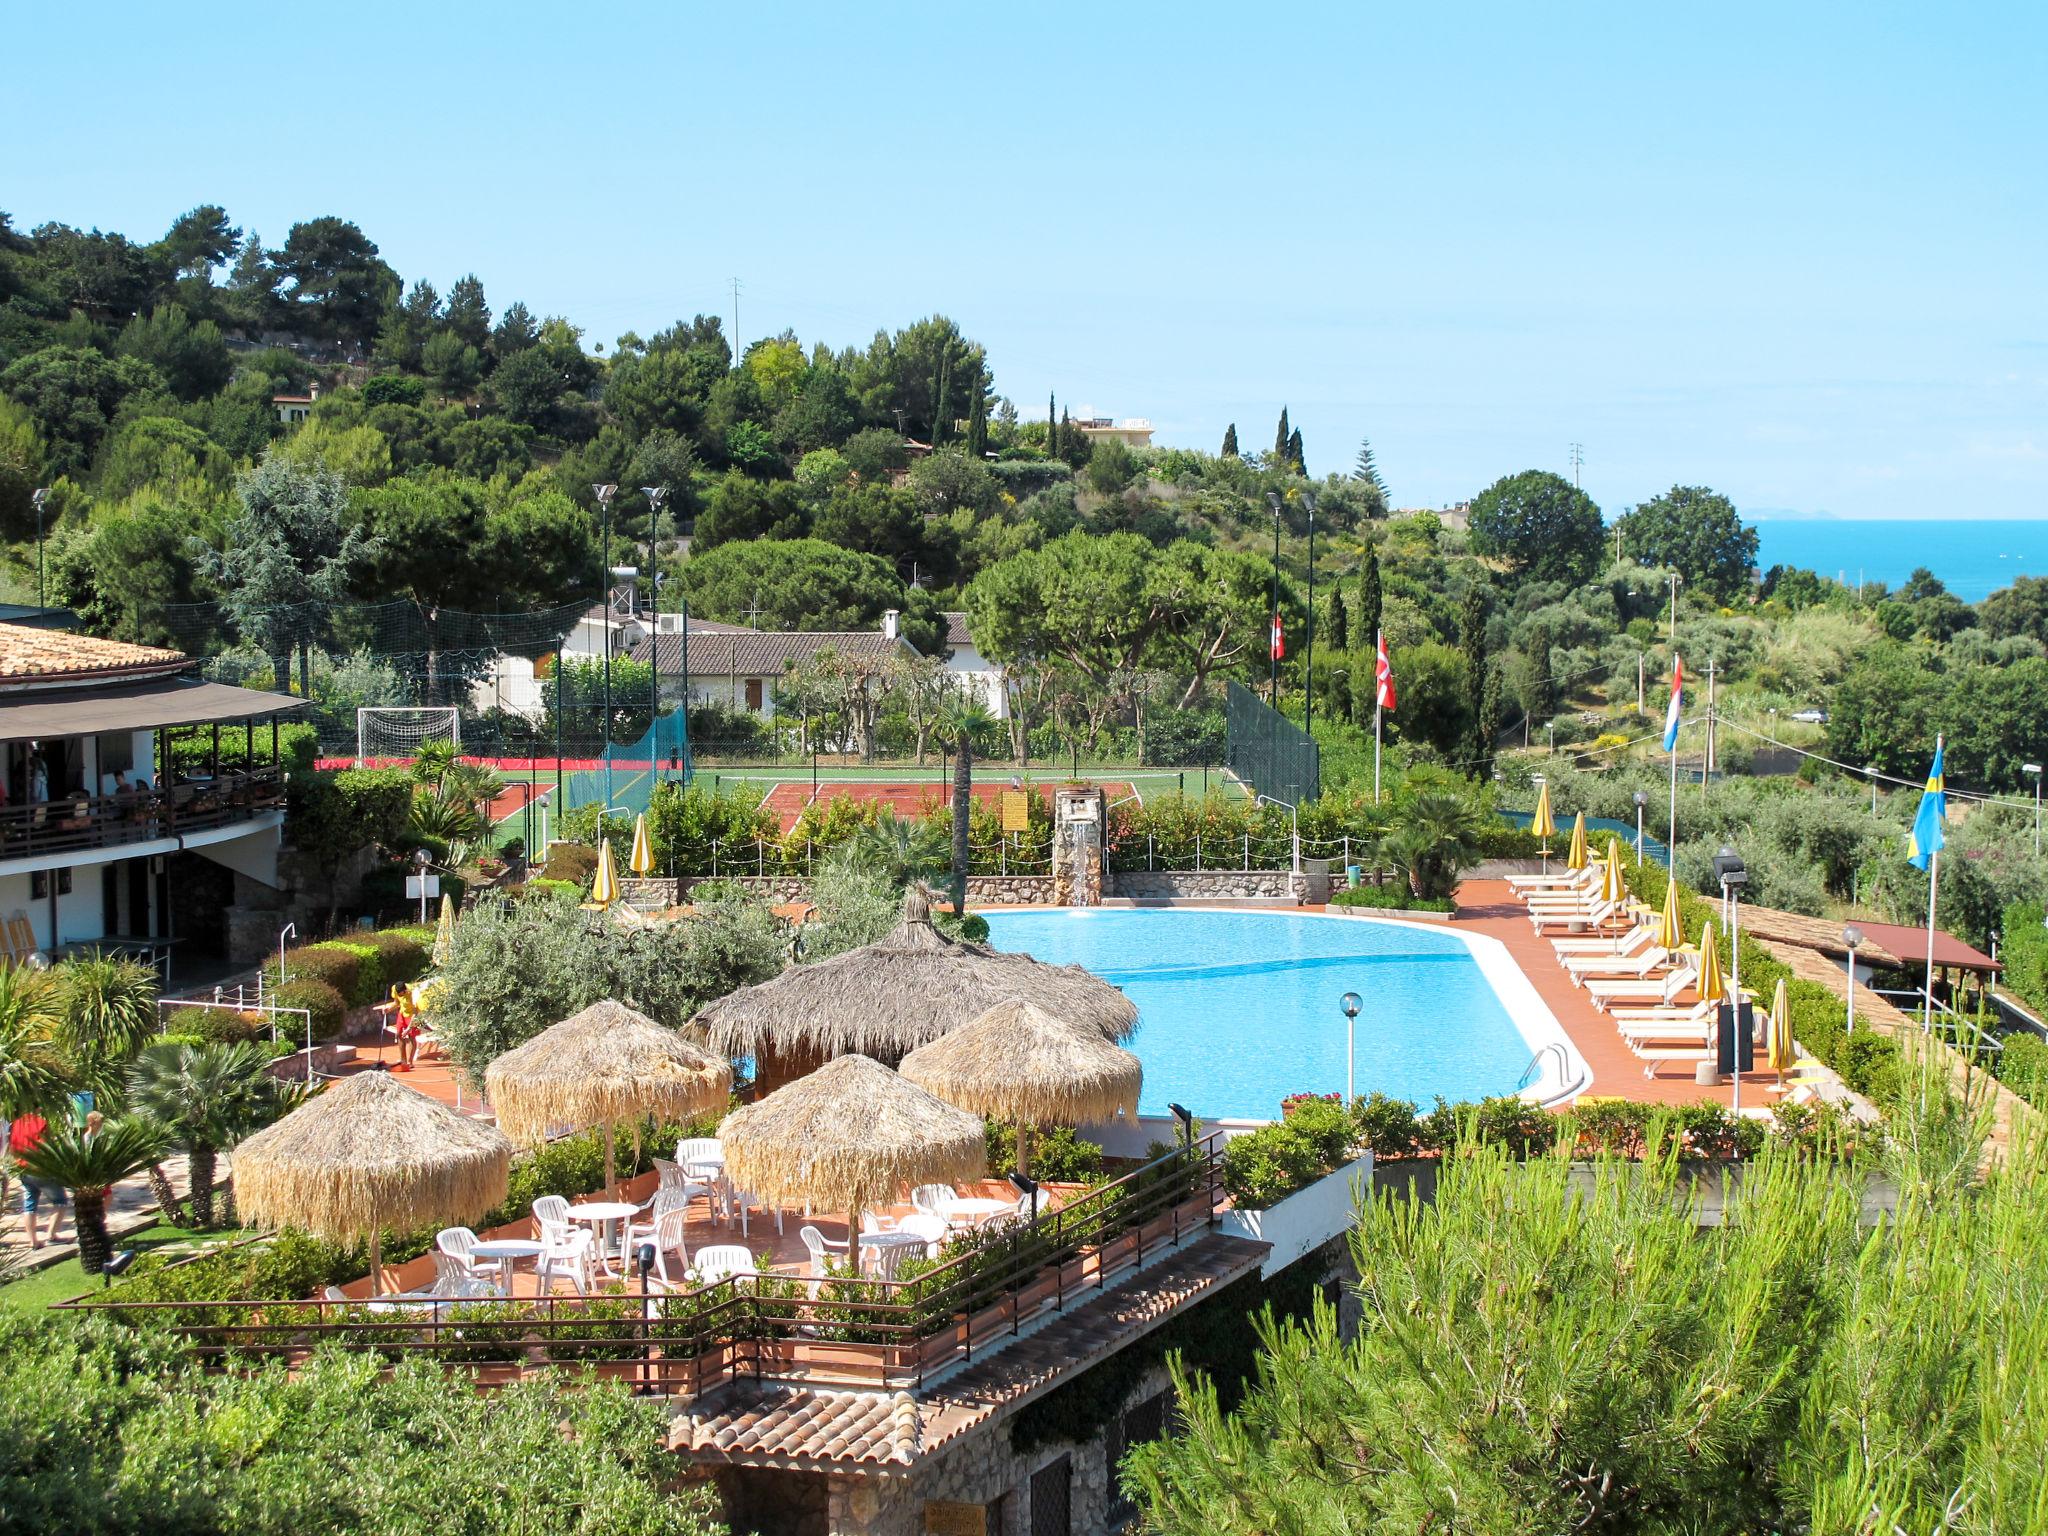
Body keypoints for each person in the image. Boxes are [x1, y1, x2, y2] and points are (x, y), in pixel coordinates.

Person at [9, 1111, 66, 1249]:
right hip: (39, 1169)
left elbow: (12, 1147)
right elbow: (44, 1147)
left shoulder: (17, 1123)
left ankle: (33, 1241)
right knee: (60, 1201)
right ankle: (52, 1235)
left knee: (30, 1204)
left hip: (23, 1169)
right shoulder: (41, 1123)